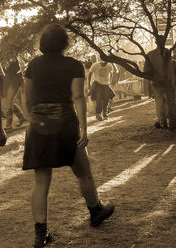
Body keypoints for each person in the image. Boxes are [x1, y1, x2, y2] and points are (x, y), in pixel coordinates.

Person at [22, 24, 114, 247]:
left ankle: (40, 233)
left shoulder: (33, 65)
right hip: (65, 124)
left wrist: (31, 120)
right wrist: (84, 127)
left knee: (41, 179)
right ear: (65, 43)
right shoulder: (74, 65)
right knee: (84, 172)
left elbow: (25, 97)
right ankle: (95, 211)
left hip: (39, 124)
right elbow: (78, 98)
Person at [145, 47, 176, 128]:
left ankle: (162, 123)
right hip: (168, 83)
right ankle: (172, 122)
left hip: (156, 83)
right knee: (169, 103)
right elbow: (173, 72)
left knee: (159, 103)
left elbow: (146, 71)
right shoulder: (167, 52)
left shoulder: (150, 54)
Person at [2, 58, 26, 129]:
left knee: (8, 104)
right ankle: (21, 117)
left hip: (13, 83)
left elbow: (19, 72)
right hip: (6, 84)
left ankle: (8, 125)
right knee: (10, 103)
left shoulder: (12, 57)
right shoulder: (4, 57)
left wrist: (22, 84)